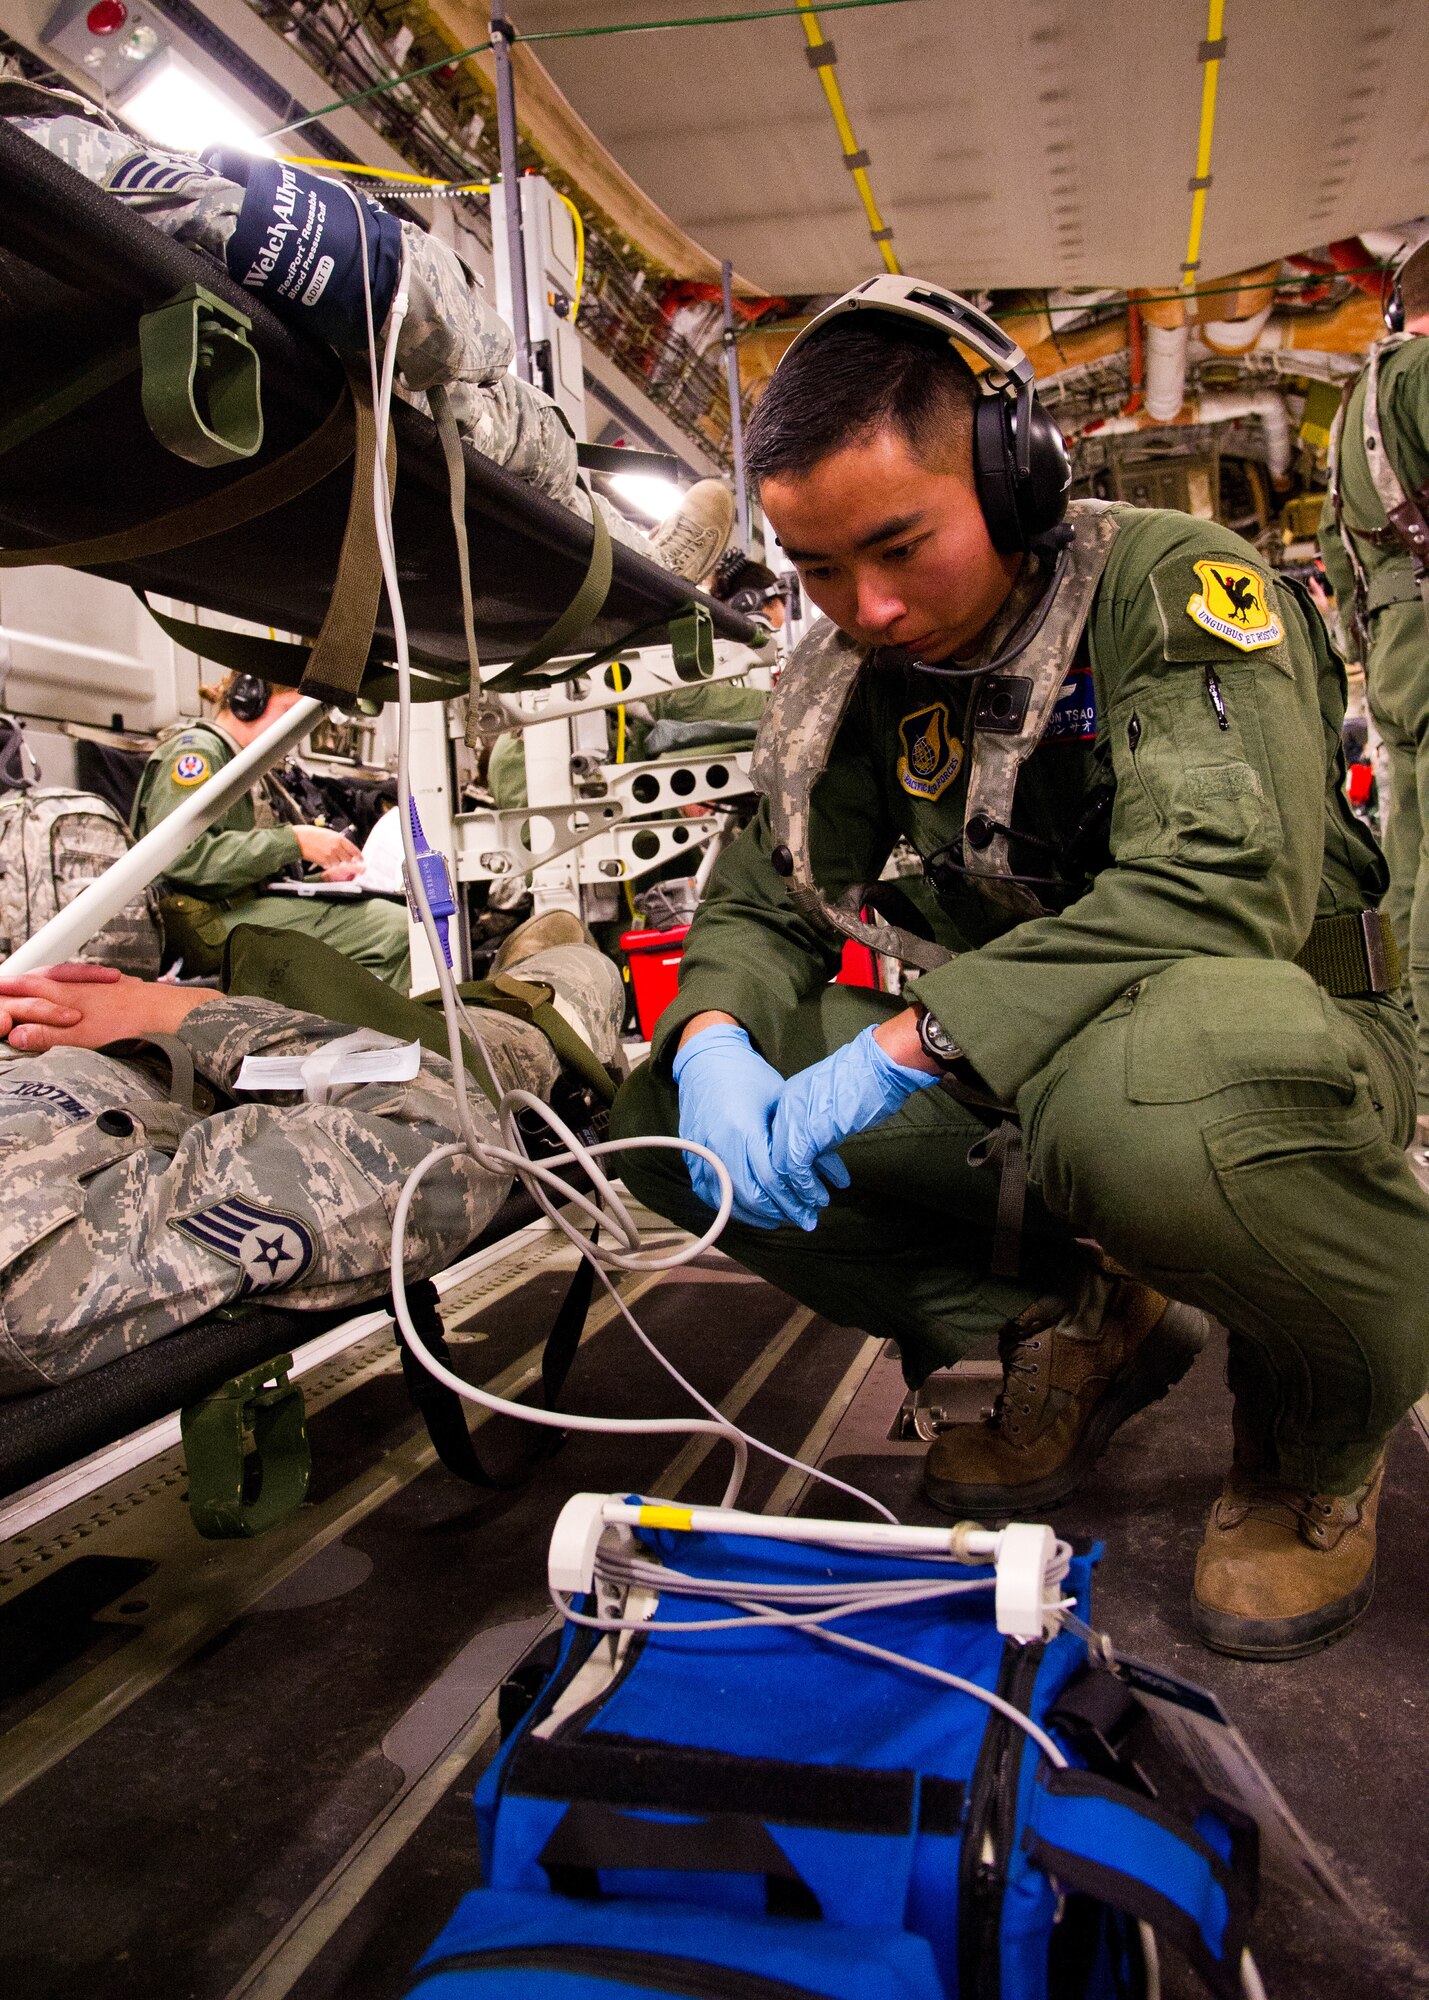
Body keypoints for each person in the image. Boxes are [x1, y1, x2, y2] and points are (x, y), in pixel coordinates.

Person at [612, 277, 1429, 1663]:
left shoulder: (1167, 588)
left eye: (896, 547)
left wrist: (900, 1052)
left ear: (1014, 473)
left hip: (1276, 1037)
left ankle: (1320, 1422)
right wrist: (711, 1047)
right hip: (1031, 1057)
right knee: (655, 1132)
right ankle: (1081, 1319)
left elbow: (1219, 883)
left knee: (1141, 1105)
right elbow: (762, 893)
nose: (862, 607)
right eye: (813, 569)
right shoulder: (852, 678)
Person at [0, 910, 621, 1396]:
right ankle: (542, 996)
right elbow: (436, 1130)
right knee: (563, 991)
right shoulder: (35, 1275)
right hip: (284, 1082)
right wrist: (184, 1014)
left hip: (190, 1049)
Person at [1320, 235, 1429, 1157]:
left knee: (1408, 857)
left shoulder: (1355, 405)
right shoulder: (1426, 374)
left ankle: (1401, 1058)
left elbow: (1334, 550)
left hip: (1396, 646)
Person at [131, 675, 412, 991]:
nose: (297, 730)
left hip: (227, 909)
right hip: (200, 924)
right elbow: (178, 858)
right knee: (396, 930)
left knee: (395, 922)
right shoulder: (198, 754)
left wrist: (318, 882)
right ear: (247, 701)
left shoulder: (247, 766)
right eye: (289, 711)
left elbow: (240, 878)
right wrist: (294, 840)